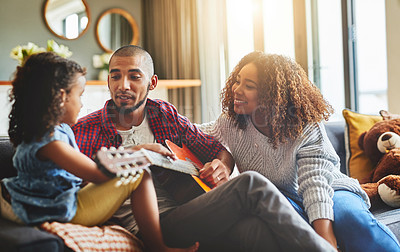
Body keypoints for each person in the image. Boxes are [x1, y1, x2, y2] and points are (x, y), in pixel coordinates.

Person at [72, 45, 337, 251]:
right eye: (115, 76)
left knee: (253, 229)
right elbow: (70, 191)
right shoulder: (85, 130)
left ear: (152, 83)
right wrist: (135, 154)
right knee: (251, 185)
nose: (123, 86)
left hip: (185, 210)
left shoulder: (164, 115)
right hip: (150, 226)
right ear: (108, 81)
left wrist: (222, 165)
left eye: (134, 76)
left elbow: (215, 149)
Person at [199, 51, 400, 252]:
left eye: (248, 86)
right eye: (237, 81)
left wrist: (326, 242)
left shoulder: (305, 126)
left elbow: (316, 186)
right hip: (280, 199)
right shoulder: (231, 121)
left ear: (272, 95)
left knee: (350, 219)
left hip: (332, 190)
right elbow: (194, 134)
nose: (236, 89)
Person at [0, 52, 198, 252]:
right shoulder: (51, 143)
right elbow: (97, 174)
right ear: (61, 98)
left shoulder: (52, 130)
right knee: (140, 174)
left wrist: (139, 149)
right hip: (65, 209)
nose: (82, 104)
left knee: (135, 172)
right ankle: (158, 247)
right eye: (79, 95)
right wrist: (140, 156)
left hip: (59, 199)